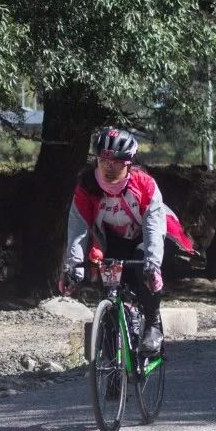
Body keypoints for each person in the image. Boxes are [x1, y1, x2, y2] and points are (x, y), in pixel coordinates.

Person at [61, 127, 167, 356]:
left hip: (141, 240)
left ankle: (153, 324)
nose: (108, 168)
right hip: (111, 242)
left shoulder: (145, 185)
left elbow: (154, 227)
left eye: (116, 162)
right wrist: (73, 267)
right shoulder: (86, 187)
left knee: (143, 266)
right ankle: (108, 358)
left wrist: (153, 263)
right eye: (103, 161)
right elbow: (78, 229)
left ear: (128, 163)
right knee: (110, 290)